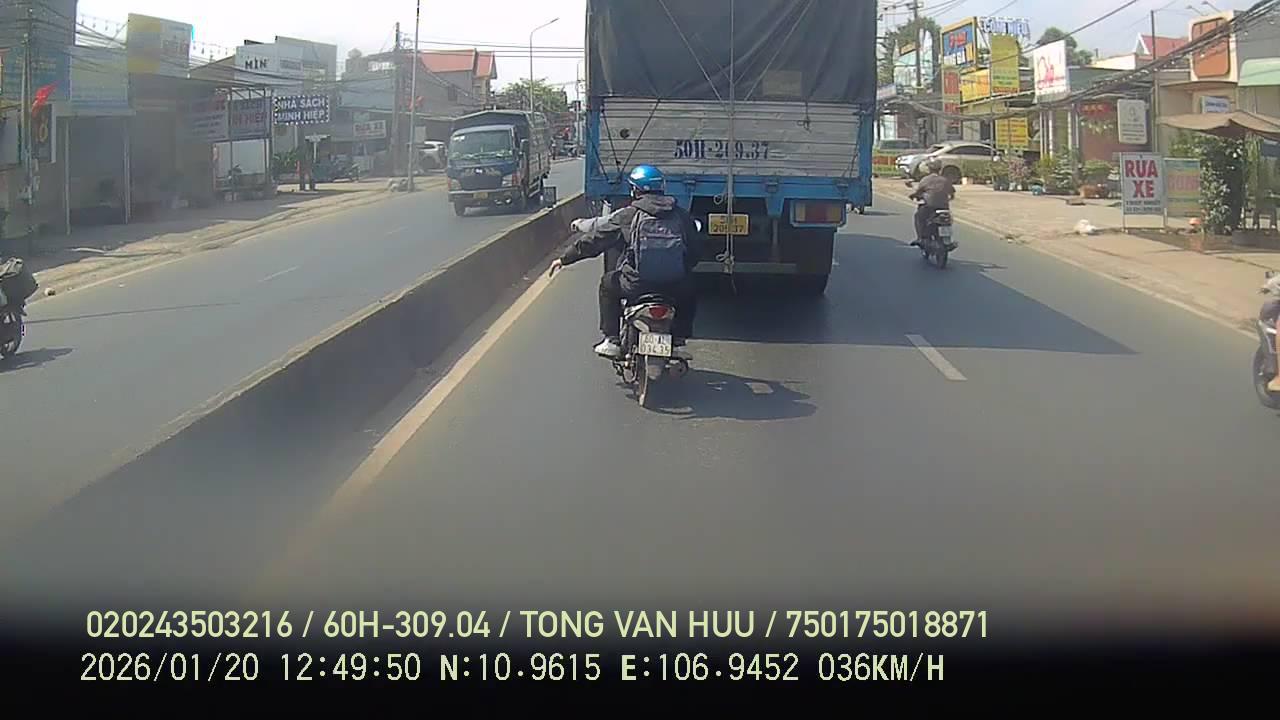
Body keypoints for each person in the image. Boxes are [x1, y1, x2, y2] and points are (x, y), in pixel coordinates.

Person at [549, 164, 703, 360]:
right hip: (673, 285)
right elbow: (695, 252)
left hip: (635, 285)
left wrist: (565, 259)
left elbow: (595, 241)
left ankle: (612, 340)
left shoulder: (628, 215)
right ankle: (679, 340)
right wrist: (679, 271)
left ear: (635, 190)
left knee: (607, 285)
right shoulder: (681, 215)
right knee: (690, 290)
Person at [909, 159, 955, 246]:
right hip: (944, 207)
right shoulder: (945, 180)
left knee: (918, 217)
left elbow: (918, 192)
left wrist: (913, 195)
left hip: (929, 207)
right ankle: (948, 241)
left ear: (929, 169)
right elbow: (952, 194)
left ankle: (920, 238)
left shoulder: (926, 180)